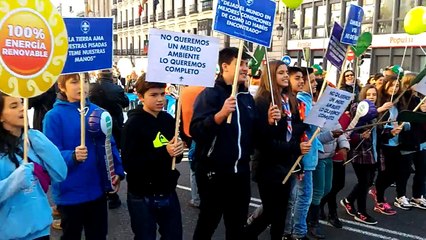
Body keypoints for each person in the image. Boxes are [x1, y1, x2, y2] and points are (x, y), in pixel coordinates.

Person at [43, 73, 125, 240]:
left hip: (97, 190)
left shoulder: (98, 112)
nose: (82, 85)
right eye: (74, 82)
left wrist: (117, 171)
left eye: (85, 81)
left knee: (98, 235)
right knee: (71, 235)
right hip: (70, 193)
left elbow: (110, 144)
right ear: (62, 87)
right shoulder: (53, 116)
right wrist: (72, 156)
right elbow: (50, 154)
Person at [190, 47, 256, 239]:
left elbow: (252, 134)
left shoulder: (246, 96)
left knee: (237, 226)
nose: (245, 68)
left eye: (246, 64)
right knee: (207, 223)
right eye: (240, 64)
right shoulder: (210, 94)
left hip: (241, 172)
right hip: (214, 173)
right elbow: (196, 131)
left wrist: (268, 121)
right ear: (225, 66)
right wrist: (219, 116)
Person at [244, 60, 311, 240]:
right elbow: (263, 141)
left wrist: (307, 130)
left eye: (285, 72)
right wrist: (270, 123)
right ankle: (247, 235)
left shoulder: (290, 100)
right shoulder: (263, 101)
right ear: (271, 75)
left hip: (287, 164)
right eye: (280, 72)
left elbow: (294, 128)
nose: (284, 76)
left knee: (281, 215)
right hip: (268, 166)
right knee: (271, 212)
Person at [121, 75, 185, 240]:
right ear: (140, 96)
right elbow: (130, 164)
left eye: (162, 94)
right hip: (142, 195)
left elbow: (174, 159)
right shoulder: (133, 125)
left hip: (167, 189)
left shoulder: (168, 119)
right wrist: (165, 152)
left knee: (174, 235)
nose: (160, 99)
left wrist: (177, 151)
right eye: (154, 95)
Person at [0, 92, 67, 240]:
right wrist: (14, 181)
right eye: (13, 105)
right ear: (1, 116)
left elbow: (60, 173)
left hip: (41, 229)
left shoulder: (34, 139)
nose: (22, 108)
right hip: (12, 234)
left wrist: (38, 139)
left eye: (22, 103)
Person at [340, 85, 392, 225]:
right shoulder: (357, 107)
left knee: (368, 182)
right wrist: (361, 135)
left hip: (373, 152)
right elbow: (355, 125)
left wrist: (391, 132)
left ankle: (349, 200)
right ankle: (361, 213)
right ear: (363, 95)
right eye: (368, 94)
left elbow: (379, 133)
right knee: (364, 183)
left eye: (374, 94)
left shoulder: (377, 110)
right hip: (359, 152)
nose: (371, 96)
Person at [284, 67, 322, 240]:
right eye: (311, 81)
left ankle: (291, 229)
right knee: (300, 196)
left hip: (307, 154)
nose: (315, 84)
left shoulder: (306, 100)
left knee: (291, 197)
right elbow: (296, 129)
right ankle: (298, 231)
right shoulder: (297, 101)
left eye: (314, 80)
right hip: (300, 156)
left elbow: (315, 131)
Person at [89, 69, 129, 209]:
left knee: (99, 156)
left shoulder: (92, 88)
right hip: (113, 124)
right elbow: (125, 103)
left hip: (93, 124)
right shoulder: (116, 88)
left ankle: (105, 190)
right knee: (112, 154)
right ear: (111, 76)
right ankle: (112, 192)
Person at [369, 76, 403, 216]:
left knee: (396, 174)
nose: (394, 88)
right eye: (391, 85)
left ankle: (377, 191)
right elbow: (377, 127)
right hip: (384, 144)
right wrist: (390, 132)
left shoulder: (399, 103)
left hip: (397, 143)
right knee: (385, 173)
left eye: (397, 85)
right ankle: (380, 200)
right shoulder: (381, 103)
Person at [181, 85, 205, 208]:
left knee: (194, 168)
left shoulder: (185, 91)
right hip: (205, 131)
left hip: (190, 131)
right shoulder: (208, 90)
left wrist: (182, 136)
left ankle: (196, 198)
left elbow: (179, 114)